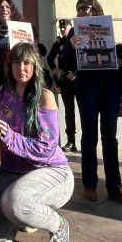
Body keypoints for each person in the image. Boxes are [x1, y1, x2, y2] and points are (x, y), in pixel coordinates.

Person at [0, 43, 74, 242]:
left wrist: (10, 136)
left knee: (16, 204)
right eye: (17, 63)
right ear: (9, 66)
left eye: (27, 63)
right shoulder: (3, 93)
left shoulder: (45, 97)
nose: (22, 68)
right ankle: (24, 215)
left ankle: (58, 225)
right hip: (12, 170)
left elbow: (47, 147)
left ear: (35, 66)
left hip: (50, 171)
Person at [65, 0, 122, 204]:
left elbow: (114, 53)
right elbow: (66, 62)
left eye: (86, 8)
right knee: (89, 136)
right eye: (79, 8)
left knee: (110, 137)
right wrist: (71, 46)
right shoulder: (74, 32)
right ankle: (89, 184)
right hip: (87, 86)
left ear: (96, 9)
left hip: (109, 85)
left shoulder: (106, 27)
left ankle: (114, 187)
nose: (83, 11)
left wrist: (118, 60)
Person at [0, 0, 24, 107]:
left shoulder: (22, 29)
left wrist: (10, 27)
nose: (4, 9)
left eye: (7, 7)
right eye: (1, 7)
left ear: (12, 11)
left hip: (18, 78)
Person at [47, 19, 78, 153]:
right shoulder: (58, 43)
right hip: (65, 81)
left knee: (84, 111)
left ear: (71, 27)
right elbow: (50, 58)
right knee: (69, 111)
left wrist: (76, 72)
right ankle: (71, 141)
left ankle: (87, 140)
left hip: (78, 80)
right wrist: (54, 69)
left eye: (65, 27)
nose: (62, 29)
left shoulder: (77, 40)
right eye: (61, 27)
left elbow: (83, 58)